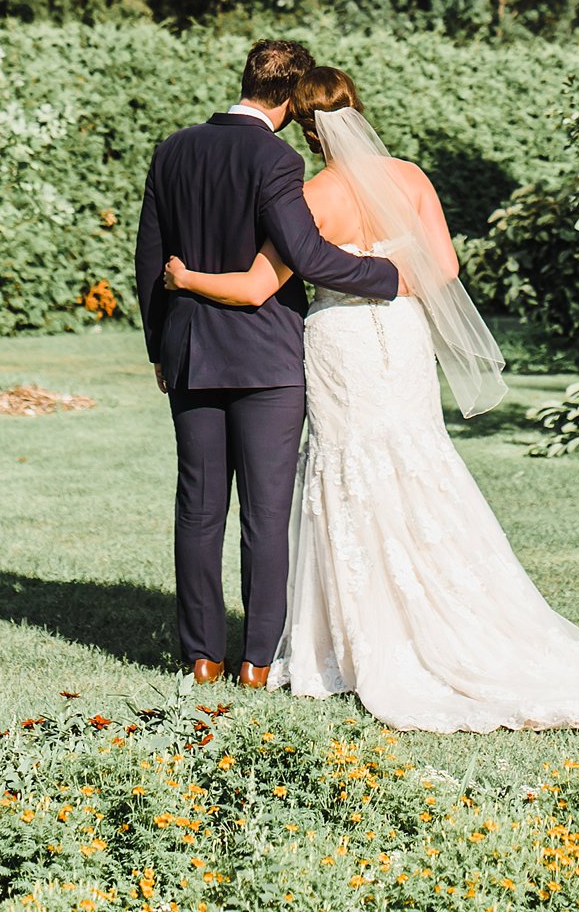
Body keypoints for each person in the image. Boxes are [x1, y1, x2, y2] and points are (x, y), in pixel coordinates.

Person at [165, 63, 579, 742]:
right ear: (359, 109)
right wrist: (392, 279)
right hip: (405, 335)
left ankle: (350, 636)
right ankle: (449, 611)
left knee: (345, 469)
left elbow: (255, 285)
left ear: (304, 125)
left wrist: (185, 275)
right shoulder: (410, 177)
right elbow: (442, 270)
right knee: (416, 459)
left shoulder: (311, 196)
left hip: (341, 339)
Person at [134, 39, 402, 687]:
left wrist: (159, 347)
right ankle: (256, 660)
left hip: (191, 352)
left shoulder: (173, 149)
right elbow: (305, 254)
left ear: (247, 78)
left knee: (198, 508)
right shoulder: (274, 157)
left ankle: (202, 656)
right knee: (264, 513)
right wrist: (386, 273)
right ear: (289, 97)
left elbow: (148, 257)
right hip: (266, 362)